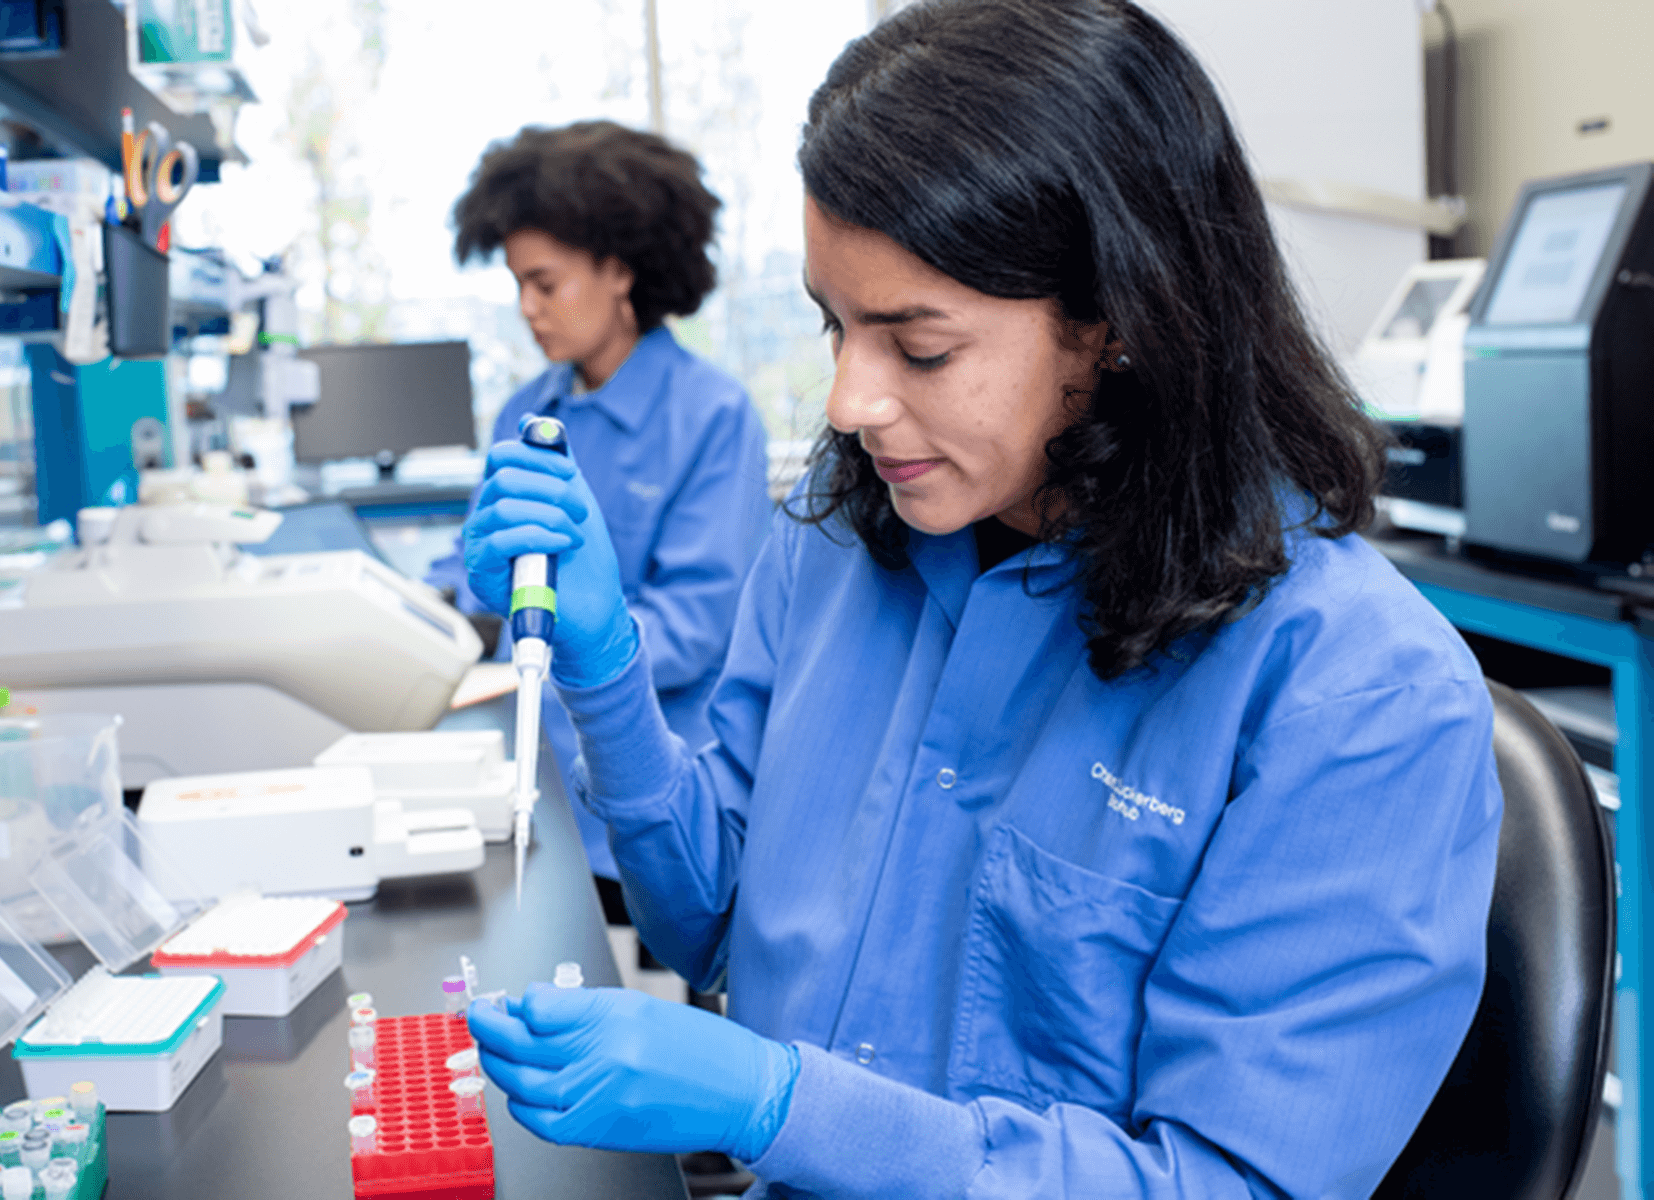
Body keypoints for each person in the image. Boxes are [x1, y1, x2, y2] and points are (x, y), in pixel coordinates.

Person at [456, 1, 1504, 1196]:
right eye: (834, 324)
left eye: (920, 346)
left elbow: (1231, 1184)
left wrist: (782, 1106)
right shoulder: (842, 547)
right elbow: (712, 926)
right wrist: (607, 671)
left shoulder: (1355, 695)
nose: (849, 401)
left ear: (1115, 322)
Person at [428, 120, 771, 905]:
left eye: (545, 283)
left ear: (618, 271)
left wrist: (549, 661)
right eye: (517, 285)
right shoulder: (529, 410)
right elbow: (471, 565)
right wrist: (427, 614)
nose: (527, 308)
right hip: (522, 774)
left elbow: (693, 626)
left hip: (647, 787)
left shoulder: (713, 416)